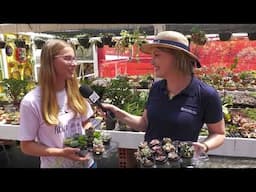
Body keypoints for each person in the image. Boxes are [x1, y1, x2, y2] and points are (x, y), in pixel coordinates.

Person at [102, 31, 225, 154]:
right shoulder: (156, 88)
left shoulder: (205, 94)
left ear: (177, 57)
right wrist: (116, 112)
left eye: (157, 55)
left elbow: (218, 133)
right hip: (150, 161)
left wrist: (205, 146)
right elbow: (145, 124)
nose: (152, 62)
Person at [18, 39, 95, 168]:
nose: (74, 63)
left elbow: (85, 122)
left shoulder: (77, 91)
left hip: (88, 164)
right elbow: (26, 146)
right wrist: (61, 153)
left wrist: (91, 137)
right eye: (67, 58)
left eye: (74, 59)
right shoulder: (32, 101)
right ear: (50, 62)